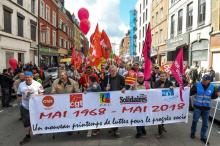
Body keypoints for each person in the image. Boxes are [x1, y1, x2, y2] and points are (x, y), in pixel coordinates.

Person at [190, 74, 219, 145]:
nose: (204, 81)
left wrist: (217, 95)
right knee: (195, 120)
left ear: (209, 81)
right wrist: (190, 88)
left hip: (206, 108)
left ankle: (203, 137)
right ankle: (193, 132)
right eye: (203, 79)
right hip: (197, 107)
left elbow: (213, 97)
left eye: (206, 80)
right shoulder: (197, 85)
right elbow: (191, 92)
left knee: (205, 124)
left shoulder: (212, 87)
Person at [17, 71, 44, 145]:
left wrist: (38, 97)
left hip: (35, 106)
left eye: (29, 77)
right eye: (26, 77)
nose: (27, 79)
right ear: (24, 78)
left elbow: (42, 92)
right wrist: (19, 103)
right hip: (25, 106)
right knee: (26, 122)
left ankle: (38, 129)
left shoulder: (37, 84)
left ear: (32, 77)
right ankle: (27, 136)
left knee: (36, 119)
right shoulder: (21, 85)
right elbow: (19, 94)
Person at [103, 65, 126, 138]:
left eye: (114, 71)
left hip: (117, 99)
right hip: (108, 98)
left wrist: (124, 88)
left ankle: (115, 129)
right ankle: (112, 126)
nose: (112, 72)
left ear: (116, 70)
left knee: (116, 113)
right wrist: (105, 88)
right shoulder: (107, 77)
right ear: (109, 71)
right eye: (111, 71)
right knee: (109, 113)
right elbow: (102, 86)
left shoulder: (121, 77)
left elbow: (125, 86)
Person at [154, 72, 173, 138]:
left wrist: (172, 87)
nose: (162, 77)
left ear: (166, 76)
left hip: (167, 103)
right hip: (159, 102)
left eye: (163, 76)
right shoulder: (157, 82)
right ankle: (160, 132)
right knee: (160, 117)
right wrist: (160, 87)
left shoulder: (169, 82)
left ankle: (162, 126)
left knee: (164, 116)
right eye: (161, 76)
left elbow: (174, 89)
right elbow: (154, 91)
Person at [132, 72, 148, 138]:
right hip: (137, 104)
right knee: (137, 117)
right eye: (139, 77)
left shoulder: (147, 84)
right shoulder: (134, 84)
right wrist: (132, 89)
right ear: (137, 78)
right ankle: (139, 131)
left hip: (145, 104)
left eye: (142, 77)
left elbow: (151, 92)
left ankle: (143, 128)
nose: (141, 78)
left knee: (143, 117)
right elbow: (129, 93)